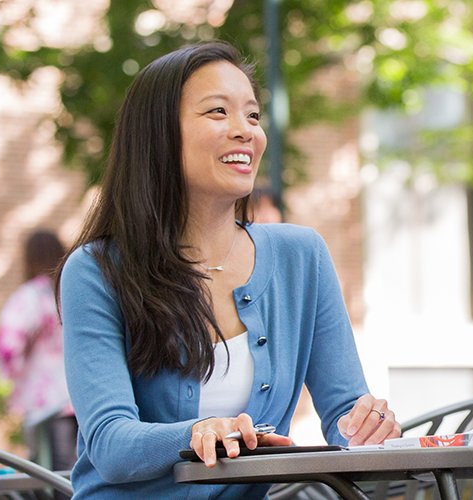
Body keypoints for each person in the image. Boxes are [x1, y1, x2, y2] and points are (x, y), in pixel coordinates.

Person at [57, 42, 400, 498]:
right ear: (159, 134)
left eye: (253, 116)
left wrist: (367, 427)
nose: (246, 132)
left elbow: (343, 413)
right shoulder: (96, 270)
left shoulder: (303, 255)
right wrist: (198, 432)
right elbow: (111, 443)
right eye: (218, 112)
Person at [0, 229, 76, 470]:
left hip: (47, 403)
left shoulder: (30, 296)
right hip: (81, 397)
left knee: (51, 474)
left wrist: (13, 372)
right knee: (77, 471)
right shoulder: (70, 291)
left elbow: (7, 347)